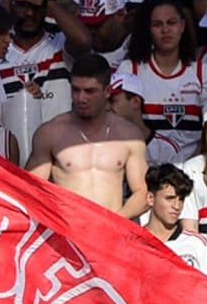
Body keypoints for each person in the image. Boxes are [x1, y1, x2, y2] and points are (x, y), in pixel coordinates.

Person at [26, 53, 149, 216]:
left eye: (90, 91)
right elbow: (30, 190)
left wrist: (115, 221)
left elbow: (143, 192)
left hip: (111, 231)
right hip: (66, 232)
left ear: (107, 91)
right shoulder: (50, 133)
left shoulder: (129, 135)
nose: (81, 98)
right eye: (76, 90)